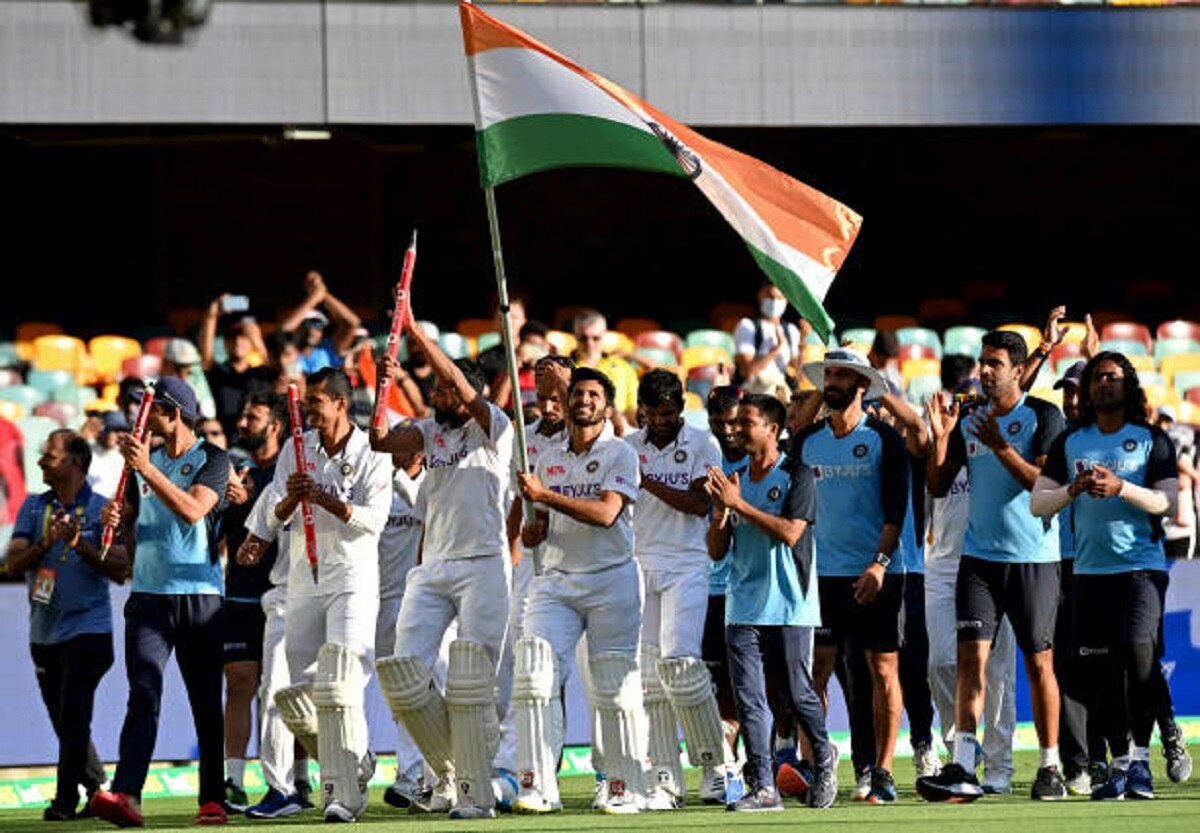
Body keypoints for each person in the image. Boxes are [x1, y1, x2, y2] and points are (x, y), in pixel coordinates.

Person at [371, 312, 515, 820]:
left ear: (469, 394)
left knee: (474, 680)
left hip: (484, 564)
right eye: (434, 389)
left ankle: (478, 789)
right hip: (433, 566)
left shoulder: (494, 428)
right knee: (406, 673)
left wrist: (415, 333)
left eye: (445, 389)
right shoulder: (428, 431)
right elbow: (381, 444)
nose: (437, 394)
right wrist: (381, 386)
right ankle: (436, 774)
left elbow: (457, 381)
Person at [918, 329, 1068, 803]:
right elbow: (940, 485)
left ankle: (1050, 765)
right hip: (978, 559)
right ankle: (964, 761)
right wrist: (940, 440)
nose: (983, 371)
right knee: (969, 661)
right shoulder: (971, 418)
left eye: (994, 364)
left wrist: (1001, 446)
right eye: (982, 362)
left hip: (1033, 559)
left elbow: (1045, 486)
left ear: (1019, 371)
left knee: (1038, 663)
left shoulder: (1045, 415)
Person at [1031, 352, 1178, 800]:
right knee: (1101, 672)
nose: (1103, 384)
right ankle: (1119, 767)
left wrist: (1121, 487)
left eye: (1112, 377)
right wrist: (1070, 489)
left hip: (1141, 569)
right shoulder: (1071, 442)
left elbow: (1166, 502)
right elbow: (1039, 503)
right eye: (1097, 378)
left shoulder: (1152, 439)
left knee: (1138, 654)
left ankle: (1142, 761)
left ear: (1127, 385)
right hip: (1089, 573)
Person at [88, 376, 231, 827]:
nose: (140, 420)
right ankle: (127, 794)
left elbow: (193, 511)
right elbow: (131, 521)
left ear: (173, 413)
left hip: (199, 596)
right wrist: (115, 519)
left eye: (149, 411)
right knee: (143, 694)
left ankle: (213, 799)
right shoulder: (139, 466)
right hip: (148, 596)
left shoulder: (212, 458)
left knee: (206, 701)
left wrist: (147, 469)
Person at [255, 368, 391, 823]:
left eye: (315, 401)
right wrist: (292, 501)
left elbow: (374, 520)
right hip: (303, 576)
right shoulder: (297, 450)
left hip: (352, 577)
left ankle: (346, 795)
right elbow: (272, 516)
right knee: (302, 689)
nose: (309, 409)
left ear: (339, 403)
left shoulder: (374, 450)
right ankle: (357, 760)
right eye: (307, 400)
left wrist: (325, 499)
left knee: (343, 680)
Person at [511, 367, 646, 815]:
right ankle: (538, 782)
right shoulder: (546, 458)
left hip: (611, 579)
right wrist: (532, 532)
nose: (584, 400)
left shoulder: (621, 453)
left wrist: (545, 497)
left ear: (606, 406)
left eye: (593, 394)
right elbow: (541, 528)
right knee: (534, 677)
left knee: (613, 685)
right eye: (578, 394)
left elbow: (607, 514)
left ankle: (623, 783)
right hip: (557, 582)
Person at [705, 393, 837, 811]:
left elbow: (791, 533)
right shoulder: (735, 477)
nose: (736, 429)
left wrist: (737, 503)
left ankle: (823, 754)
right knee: (750, 699)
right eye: (735, 422)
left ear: (773, 430)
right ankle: (764, 786)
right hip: (742, 605)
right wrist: (722, 515)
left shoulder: (797, 475)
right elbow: (715, 550)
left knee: (798, 694)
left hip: (789, 605)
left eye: (746, 422)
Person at [792, 349, 908, 804]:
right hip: (821, 578)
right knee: (815, 675)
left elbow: (896, 509)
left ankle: (881, 770)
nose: (833, 382)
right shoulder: (807, 441)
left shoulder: (884, 438)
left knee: (882, 670)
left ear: (863, 385)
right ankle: (820, 765)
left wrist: (878, 564)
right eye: (829, 375)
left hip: (876, 573)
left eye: (842, 375)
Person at [5, 430, 129, 821]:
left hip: (90, 631)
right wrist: (46, 543)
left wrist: (80, 546)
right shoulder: (32, 507)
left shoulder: (101, 509)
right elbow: (11, 564)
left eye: (50, 455)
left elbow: (120, 570)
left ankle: (64, 802)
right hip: (44, 631)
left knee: (74, 713)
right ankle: (97, 787)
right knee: (64, 718)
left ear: (75, 462)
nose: (41, 461)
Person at [624, 369, 731, 809]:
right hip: (639, 561)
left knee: (681, 665)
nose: (661, 420)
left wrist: (645, 479)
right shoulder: (628, 446)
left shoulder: (704, 444)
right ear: (642, 410)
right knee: (649, 677)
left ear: (680, 409)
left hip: (687, 562)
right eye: (653, 414)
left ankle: (717, 766)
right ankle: (665, 776)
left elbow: (699, 503)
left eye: (668, 413)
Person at [923, 365, 1020, 796]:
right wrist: (941, 435)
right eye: (963, 405)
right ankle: (962, 750)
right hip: (943, 564)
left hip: (991, 561)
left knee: (997, 672)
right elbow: (934, 488)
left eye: (976, 405)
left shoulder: (996, 448)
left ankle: (999, 765)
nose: (969, 411)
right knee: (940, 662)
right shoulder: (946, 445)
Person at [215, 391, 287, 812]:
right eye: (243, 415)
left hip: (285, 592)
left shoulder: (289, 470)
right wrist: (229, 500)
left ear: (274, 426)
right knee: (240, 683)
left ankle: (295, 781)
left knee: (284, 691)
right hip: (240, 592)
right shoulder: (235, 471)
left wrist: (255, 500)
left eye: (253, 416)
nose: (243, 423)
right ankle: (234, 781)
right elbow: (219, 536)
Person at [702, 386, 749, 796]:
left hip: (755, 589)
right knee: (719, 683)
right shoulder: (704, 457)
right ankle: (726, 766)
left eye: (734, 420)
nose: (727, 428)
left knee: (764, 683)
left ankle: (772, 757)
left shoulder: (764, 458)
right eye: (719, 420)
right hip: (712, 586)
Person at [375, 449, 427, 809]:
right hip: (379, 604)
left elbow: (425, 509)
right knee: (397, 699)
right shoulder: (380, 486)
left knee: (420, 691)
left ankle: (413, 777)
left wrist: (397, 477)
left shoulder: (431, 483)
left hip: (422, 603)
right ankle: (424, 775)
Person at [200, 301, 275, 437]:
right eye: (232, 337)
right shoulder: (219, 371)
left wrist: (255, 337)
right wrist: (212, 315)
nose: (237, 342)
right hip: (226, 443)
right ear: (224, 343)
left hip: (257, 442)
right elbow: (205, 356)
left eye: (243, 337)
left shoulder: (260, 373)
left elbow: (272, 363)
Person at [278, 270, 363, 374]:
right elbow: (284, 330)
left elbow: (353, 322)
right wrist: (314, 297)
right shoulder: (290, 353)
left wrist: (324, 294)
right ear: (298, 328)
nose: (312, 329)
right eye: (307, 324)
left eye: (318, 325)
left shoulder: (330, 350)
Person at [571, 309, 639, 432]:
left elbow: (632, 409)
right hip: (577, 428)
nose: (589, 344)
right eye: (583, 338)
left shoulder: (623, 367)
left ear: (604, 336)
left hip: (620, 429)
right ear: (575, 336)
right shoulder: (565, 368)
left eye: (595, 338)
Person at [732, 282, 803, 397]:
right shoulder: (747, 326)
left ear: (787, 300)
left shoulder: (791, 330)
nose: (774, 302)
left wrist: (803, 345)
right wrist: (775, 350)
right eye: (770, 297)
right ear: (760, 296)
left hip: (781, 395)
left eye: (779, 298)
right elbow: (749, 373)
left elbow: (798, 375)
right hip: (753, 395)